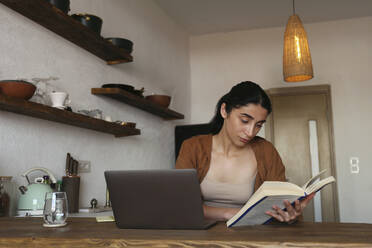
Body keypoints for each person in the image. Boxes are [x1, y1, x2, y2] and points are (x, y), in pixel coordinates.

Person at [176, 81, 314, 223]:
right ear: (224, 111)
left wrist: (289, 216)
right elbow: (180, 205)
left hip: (250, 235)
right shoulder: (193, 147)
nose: (250, 132)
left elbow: (278, 208)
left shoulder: (267, 152)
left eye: (258, 125)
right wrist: (230, 214)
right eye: (244, 120)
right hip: (200, 236)